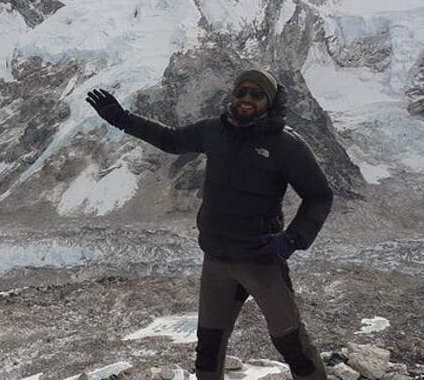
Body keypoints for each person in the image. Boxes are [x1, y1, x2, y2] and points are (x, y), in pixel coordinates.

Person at [86, 68, 333, 380]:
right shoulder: (214, 130)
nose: (246, 100)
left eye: (256, 95)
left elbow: (320, 195)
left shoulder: (287, 146)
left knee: (291, 344)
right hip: (216, 261)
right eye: (241, 92)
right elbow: (170, 139)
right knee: (208, 348)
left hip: (261, 261)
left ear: (269, 102)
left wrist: (291, 239)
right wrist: (123, 119)